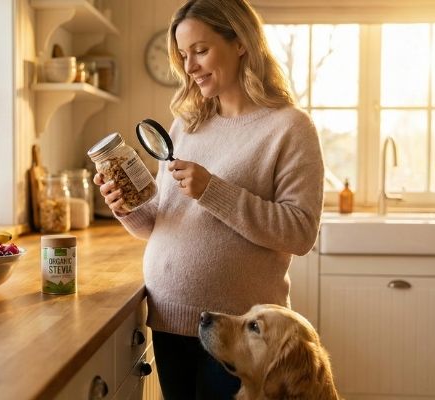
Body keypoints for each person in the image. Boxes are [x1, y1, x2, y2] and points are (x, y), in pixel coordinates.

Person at [93, 0, 324, 398]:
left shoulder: (289, 127)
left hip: (241, 338)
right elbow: (163, 222)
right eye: (183, 55)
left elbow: (300, 233)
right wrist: (125, 207)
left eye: (200, 50)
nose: (189, 66)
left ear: (240, 43)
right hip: (168, 317)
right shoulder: (187, 123)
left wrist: (211, 190)